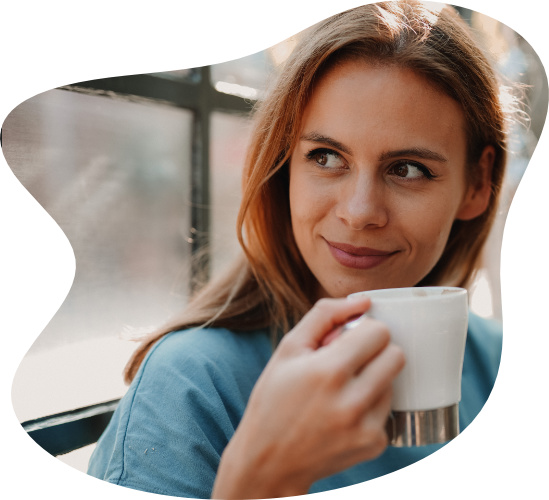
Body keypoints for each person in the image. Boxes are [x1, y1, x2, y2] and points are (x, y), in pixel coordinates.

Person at [88, 1, 517, 498]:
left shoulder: (496, 362)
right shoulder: (190, 388)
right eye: (326, 156)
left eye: (407, 169)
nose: (359, 212)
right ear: (283, 166)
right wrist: (260, 479)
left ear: (478, 183)